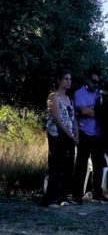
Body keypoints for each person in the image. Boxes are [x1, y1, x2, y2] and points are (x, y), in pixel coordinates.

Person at [72, 69, 108, 203]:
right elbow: (83, 111)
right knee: (81, 165)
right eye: (94, 81)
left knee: (98, 165)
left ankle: (97, 194)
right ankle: (77, 195)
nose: (96, 84)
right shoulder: (79, 93)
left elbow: (106, 111)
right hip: (84, 134)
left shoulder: (100, 93)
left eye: (98, 82)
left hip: (98, 135)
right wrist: (96, 110)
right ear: (87, 79)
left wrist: (93, 110)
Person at [42, 70, 78, 208]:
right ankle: (50, 199)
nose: (68, 81)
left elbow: (73, 118)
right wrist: (69, 134)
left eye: (70, 79)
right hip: (57, 136)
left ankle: (63, 197)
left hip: (70, 137)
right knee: (55, 167)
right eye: (66, 78)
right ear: (59, 80)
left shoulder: (69, 99)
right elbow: (57, 119)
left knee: (68, 167)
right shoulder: (52, 97)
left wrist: (76, 135)